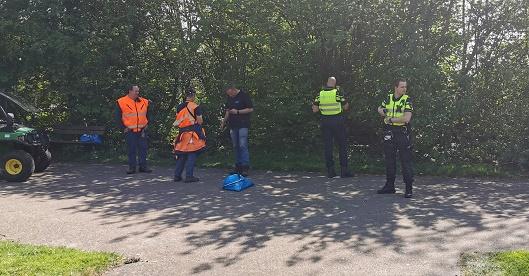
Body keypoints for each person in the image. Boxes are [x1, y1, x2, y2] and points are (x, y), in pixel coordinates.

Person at [376, 79, 414, 198]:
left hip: (401, 132)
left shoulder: (406, 99)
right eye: (402, 87)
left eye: (405, 87)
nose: (404, 89)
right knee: (389, 160)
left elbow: (407, 118)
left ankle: (408, 188)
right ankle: (389, 186)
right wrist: (384, 112)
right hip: (389, 132)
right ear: (396, 87)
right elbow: (379, 109)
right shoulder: (388, 98)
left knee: (405, 160)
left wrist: (391, 119)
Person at [312, 77, 353, 178]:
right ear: (335, 84)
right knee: (342, 146)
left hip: (325, 121)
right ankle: (344, 171)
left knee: (328, 147)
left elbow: (315, 110)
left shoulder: (320, 94)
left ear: (327, 83)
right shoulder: (337, 93)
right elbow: (346, 107)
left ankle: (330, 171)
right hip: (338, 121)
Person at [115, 85, 152, 174]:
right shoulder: (121, 102)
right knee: (131, 150)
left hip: (142, 130)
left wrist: (148, 123)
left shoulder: (144, 101)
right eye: (135, 91)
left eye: (138, 91)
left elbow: (149, 114)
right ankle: (132, 168)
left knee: (143, 149)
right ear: (130, 91)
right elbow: (117, 117)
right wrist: (123, 128)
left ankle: (143, 167)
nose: (137, 93)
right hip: (130, 130)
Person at [173, 88, 206, 183]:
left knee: (182, 154)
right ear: (193, 96)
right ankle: (189, 176)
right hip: (192, 134)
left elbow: (178, 121)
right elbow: (200, 121)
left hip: (182, 134)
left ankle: (177, 175)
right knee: (192, 154)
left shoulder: (179, 107)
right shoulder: (195, 106)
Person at [220, 85, 254, 176]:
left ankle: (245, 166)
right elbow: (228, 110)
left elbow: (250, 109)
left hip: (243, 124)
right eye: (228, 94)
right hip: (233, 125)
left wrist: (238, 112)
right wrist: (223, 122)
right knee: (235, 145)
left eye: (230, 93)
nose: (230, 96)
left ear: (233, 89)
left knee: (242, 145)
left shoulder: (244, 96)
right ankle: (238, 166)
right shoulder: (229, 98)